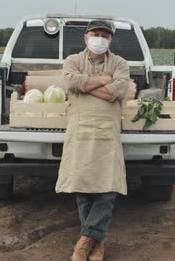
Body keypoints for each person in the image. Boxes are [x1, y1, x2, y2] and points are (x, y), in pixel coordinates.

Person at [55, 19, 130, 261]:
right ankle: (97, 243)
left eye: (105, 35)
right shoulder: (72, 60)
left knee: (108, 189)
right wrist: (104, 82)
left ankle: (85, 240)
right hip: (81, 131)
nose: (100, 38)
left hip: (107, 133)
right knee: (83, 187)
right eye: (96, 33)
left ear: (110, 40)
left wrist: (85, 85)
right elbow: (70, 82)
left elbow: (118, 90)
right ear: (86, 37)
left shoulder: (119, 63)